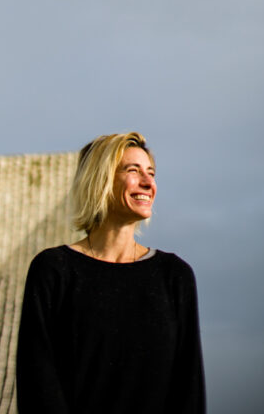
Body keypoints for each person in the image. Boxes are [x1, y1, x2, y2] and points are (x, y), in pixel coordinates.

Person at [16, 131, 205, 413]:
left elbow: (188, 391)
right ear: (101, 180)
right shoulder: (54, 271)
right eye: (133, 170)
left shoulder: (174, 277)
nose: (148, 182)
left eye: (151, 173)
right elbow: (36, 384)